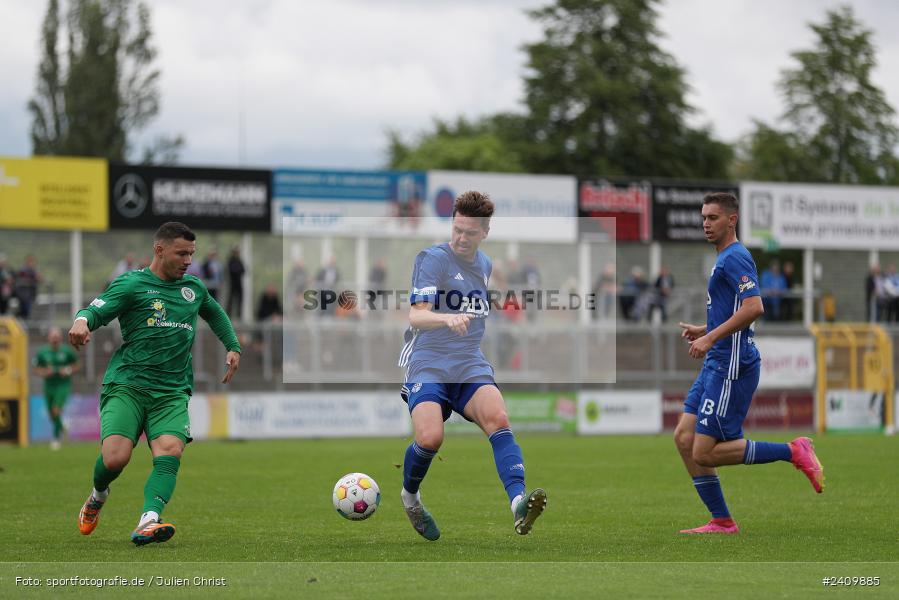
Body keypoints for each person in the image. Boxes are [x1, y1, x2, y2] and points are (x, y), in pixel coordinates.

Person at [69, 222, 241, 546]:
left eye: (191, 254)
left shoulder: (193, 289)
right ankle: (98, 494)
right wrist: (81, 321)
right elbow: (96, 309)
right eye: (181, 253)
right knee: (115, 458)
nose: (188, 261)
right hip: (128, 385)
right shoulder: (132, 284)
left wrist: (233, 346)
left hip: (171, 391)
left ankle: (149, 520)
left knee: (170, 451)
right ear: (159, 250)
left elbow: (215, 314)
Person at [397, 190, 546, 541]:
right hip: (429, 361)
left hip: (467, 361)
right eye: (457, 229)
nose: (462, 238)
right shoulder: (432, 259)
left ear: (485, 233)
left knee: (499, 418)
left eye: (470, 232)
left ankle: (518, 504)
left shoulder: (485, 265)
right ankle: (410, 497)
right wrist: (445, 318)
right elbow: (416, 316)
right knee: (430, 438)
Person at [674, 193, 823, 535]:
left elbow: (754, 307)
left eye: (713, 217)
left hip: (731, 364)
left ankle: (793, 450)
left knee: (704, 452)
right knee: (684, 437)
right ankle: (722, 521)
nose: (705, 224)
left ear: (732, 220)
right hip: (717, 360)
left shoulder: (736, 257)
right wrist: (705, 329)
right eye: (703, 217)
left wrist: (710, 338)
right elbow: (733, 309)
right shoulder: (725, 257)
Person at [33, 327, 80, 450]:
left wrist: (67, 370)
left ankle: (55, 438)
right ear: (48, 338)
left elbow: (77, 365)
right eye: (53, 337)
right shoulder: (43, 352)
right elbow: (36, 368)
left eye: (57, 337)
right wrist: (44, 372)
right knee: (51, 415)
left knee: (56, 410)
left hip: (63, 385)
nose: (55, 340)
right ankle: (62, 426)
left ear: (60, 338)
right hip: (49, 386)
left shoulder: (67, 351)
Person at [15, 255, 41, 319]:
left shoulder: (33, 270)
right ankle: (17, 318)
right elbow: (23, 278)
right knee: (25, 309)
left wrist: (37, 278)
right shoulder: (23, 269)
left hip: (30, 294)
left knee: (27, 310)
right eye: (30, 262)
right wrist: (34, 279)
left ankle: (20, 318)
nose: (32, 263)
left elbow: (39, 278)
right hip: (23, 294)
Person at [226, 246, 245, 318]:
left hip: (239, 283)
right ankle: (229, 314)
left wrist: (237, 270)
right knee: (231, 299)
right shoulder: (231, 260)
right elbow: (232, 270)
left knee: (240, 299)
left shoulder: (239, 261)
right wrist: (237, 270)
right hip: (233, 283)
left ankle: (239, 314)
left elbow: (243, 270)